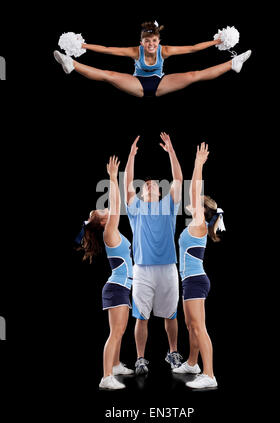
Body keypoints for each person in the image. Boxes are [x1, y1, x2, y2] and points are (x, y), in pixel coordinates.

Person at [54, 21, 252, 97]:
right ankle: (72, 64)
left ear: (159, 41)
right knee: (110, 75)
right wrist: (82, 46)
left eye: (154, 41)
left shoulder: (164, 50)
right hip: (137, 85)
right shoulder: (135, 51)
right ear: (141, 42)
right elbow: (107, 50)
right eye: (147, 41)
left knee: (194, 75)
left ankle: (233, 64)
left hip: (160, 83)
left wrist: (216, 41)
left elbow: (192, 49)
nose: (151, 45)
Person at [124, 133, 183, 374]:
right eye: (146, 184)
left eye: (155, 184)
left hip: (168, 267)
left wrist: (171, 152)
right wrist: (130, 157)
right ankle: (140, 358)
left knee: (170, 314)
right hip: (142, 269)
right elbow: (127, 182)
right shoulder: (135, 208)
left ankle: (173, 352)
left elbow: (178, 179)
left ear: (161, 192)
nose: (150, 184)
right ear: (141, 192)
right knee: (141, 316)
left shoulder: (169, 205)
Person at [76, 156, 134, 390]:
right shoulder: (109, 230)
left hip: (121, 286)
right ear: (102, 222)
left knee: (120, 331)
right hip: (117, 287)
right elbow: (116, 204)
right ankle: (106, 377)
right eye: (103, 210)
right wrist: (112, 178)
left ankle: (117, 364)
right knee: (116, 332)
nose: (107, 209)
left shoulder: (112, 230)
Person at [174, 142, 224, 389]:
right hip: (190, 281)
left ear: (201, 212)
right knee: (189, 325)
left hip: (195, 281)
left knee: (199, 327)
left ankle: (210, 375)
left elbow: (193, 191)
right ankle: (192, 363)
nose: (192, 202)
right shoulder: (197, 226)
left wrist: (198, 164)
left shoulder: (199, 224)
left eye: (197, 203)